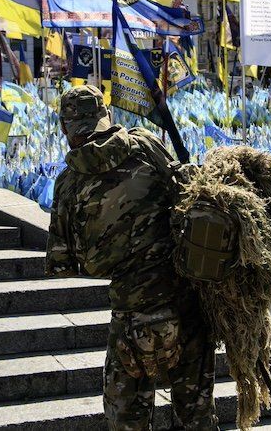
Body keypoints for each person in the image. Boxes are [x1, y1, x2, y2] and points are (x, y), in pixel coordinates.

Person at [46, 86, 216, 430]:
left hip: (131, 315)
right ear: (104, 118)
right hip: (185, 302)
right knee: (195, 416)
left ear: (66, 128)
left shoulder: (67, 183)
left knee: (128, 419)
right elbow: (188, 193)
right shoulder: (146, 145)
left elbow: (64, 264)